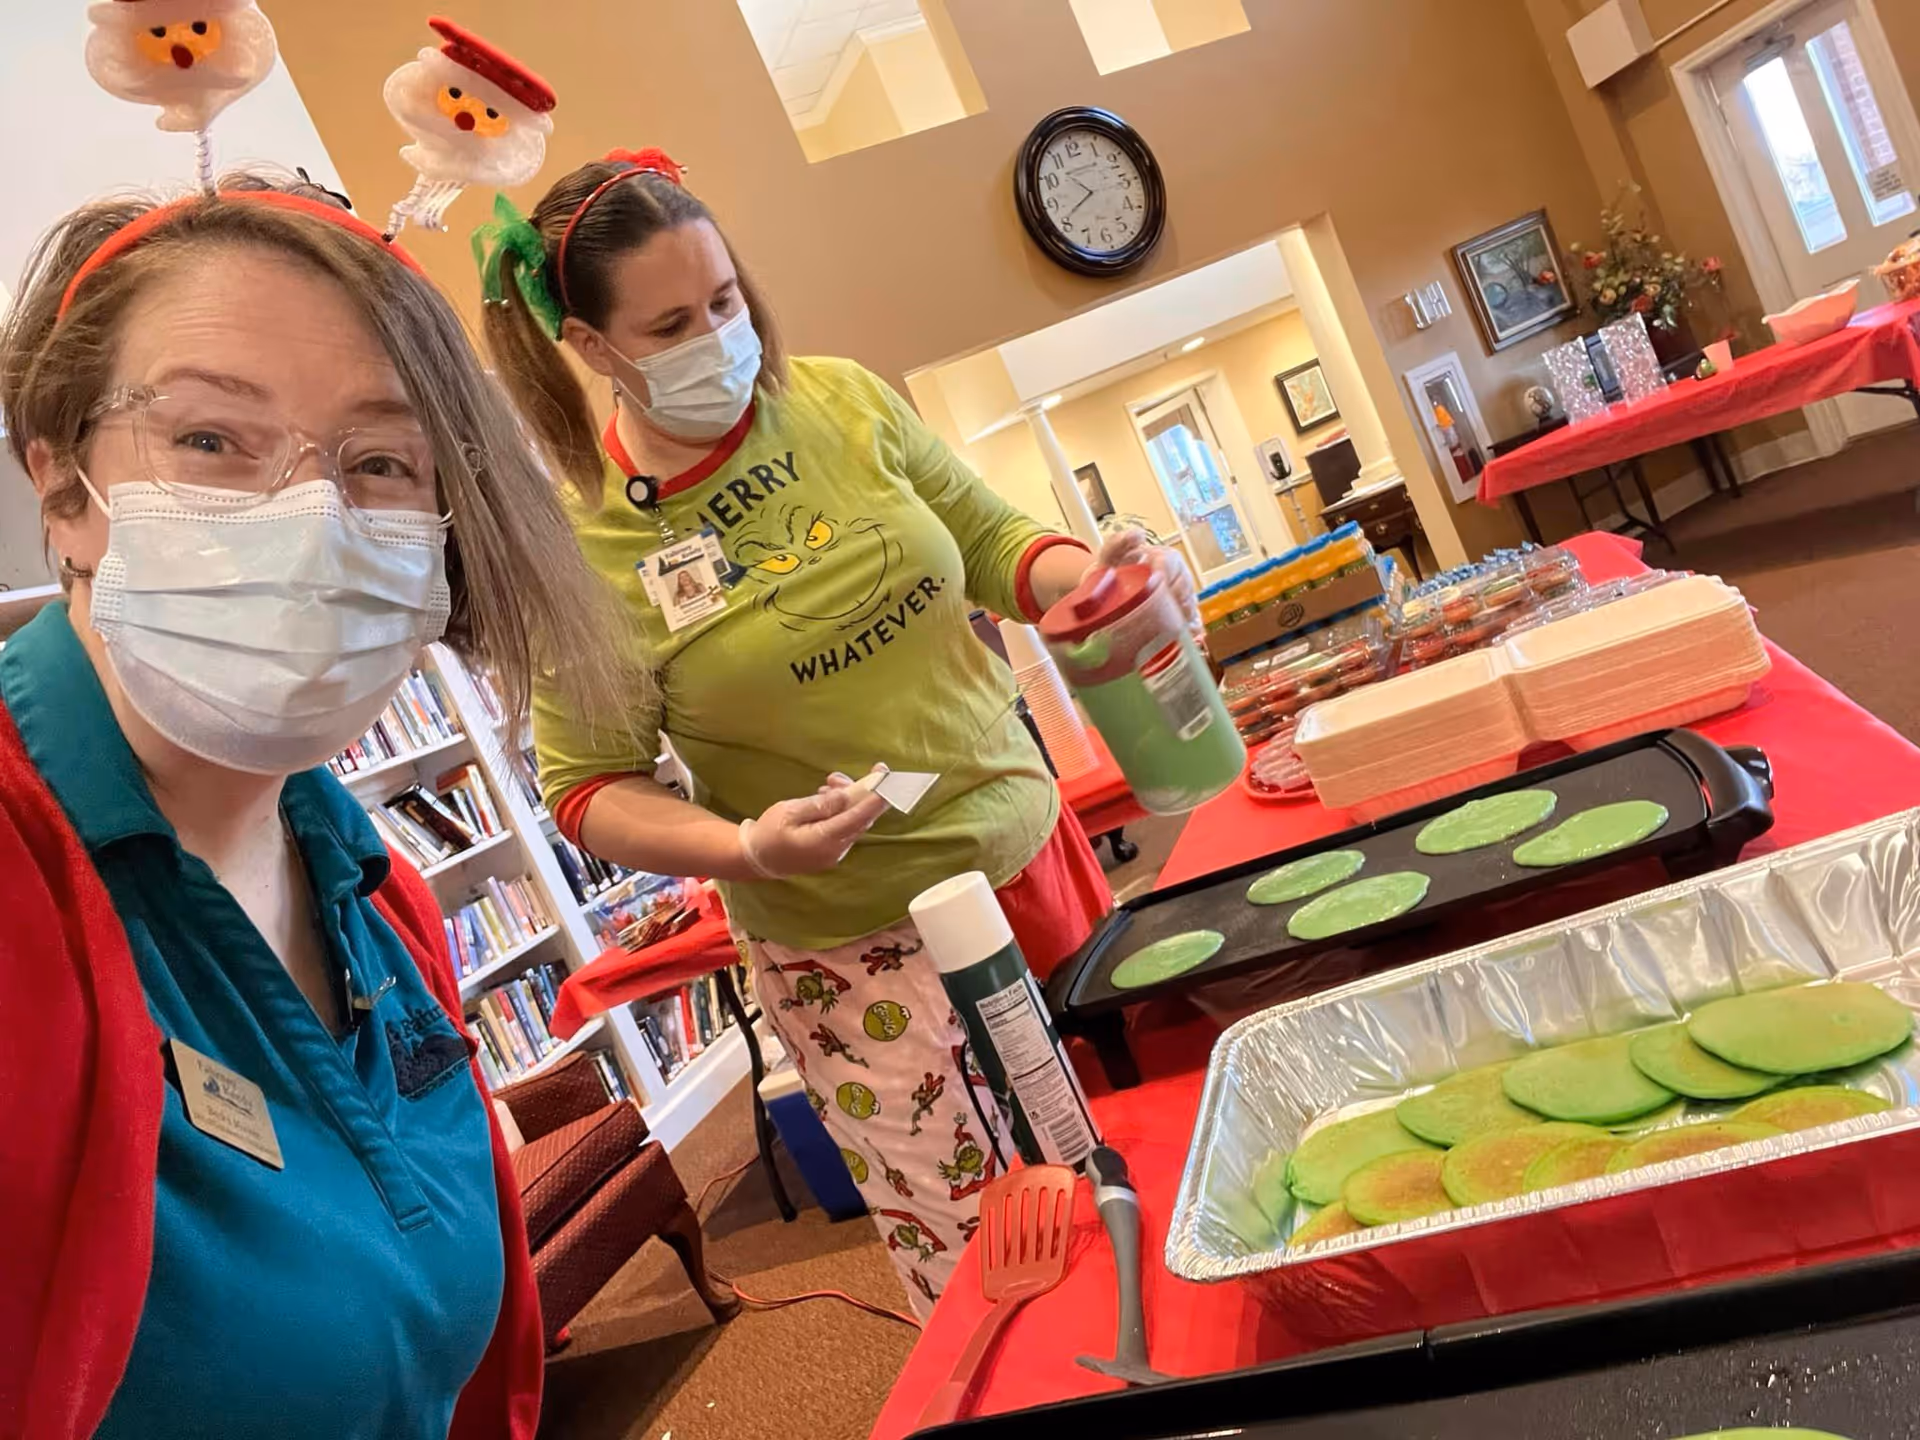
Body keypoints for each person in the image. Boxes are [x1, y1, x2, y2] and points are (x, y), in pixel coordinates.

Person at [481, 148, 1197, 1312]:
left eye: (723, 299)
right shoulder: (586, 550)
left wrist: (1099, 573)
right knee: (999, 1270)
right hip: (860, 950)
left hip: (1028, 858)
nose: (720, 334)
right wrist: (747, 850)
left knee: (1142, 1175)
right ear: (590, 348)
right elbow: (588, 787)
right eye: (671, 324)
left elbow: (998, 545)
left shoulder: (842, 400)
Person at [0, 176, 644, 1439]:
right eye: (209, 440)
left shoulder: (377, 892)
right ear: (63, 488)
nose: (308, 515)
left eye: (380, 461)